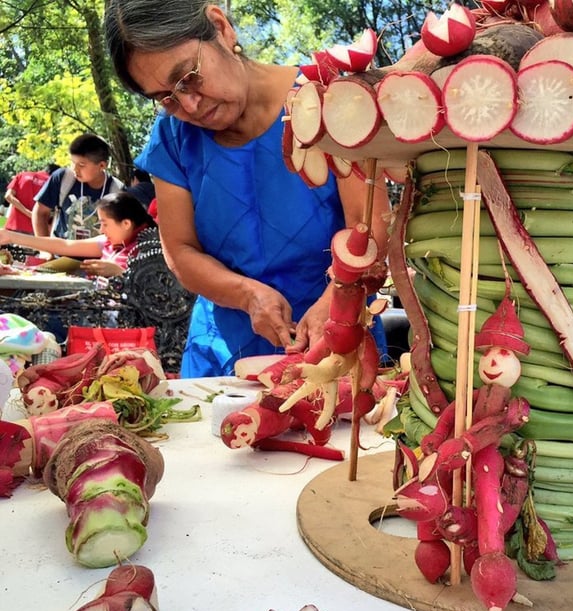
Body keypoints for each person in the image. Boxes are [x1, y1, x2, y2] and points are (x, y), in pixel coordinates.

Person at [104, 0, 391, 378]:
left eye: (188, 76)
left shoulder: (325, 99)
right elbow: (181, 250)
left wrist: (335, 302)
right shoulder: (173, 137)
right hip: (221, 355)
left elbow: (369, 226)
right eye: (165, 98)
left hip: (338, 339)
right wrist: (247, 295)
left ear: (220, 27)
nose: (189, 104)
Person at [0, 192, 156, 278]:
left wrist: (120, 273)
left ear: (126, 224)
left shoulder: (152, 249)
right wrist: (11, 237)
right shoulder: (110, 242)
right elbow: (65, 245)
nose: (101, 230)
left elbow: (159, 293)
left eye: (105, 223)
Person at [33, 133, 124, 240]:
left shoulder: (117, 190)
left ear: (102, 166)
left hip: (98, 255)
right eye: (72, 162)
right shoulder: (62, 178)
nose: (75, 169)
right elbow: (40, 212)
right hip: (61, 253)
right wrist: (45, 249)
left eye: (81, 165)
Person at [4, 164, 60, 234]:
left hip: (13, 226)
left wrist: (28, 213)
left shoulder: (22, 175)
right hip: (37, 230)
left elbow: (8, 196)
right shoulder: (52, 183)